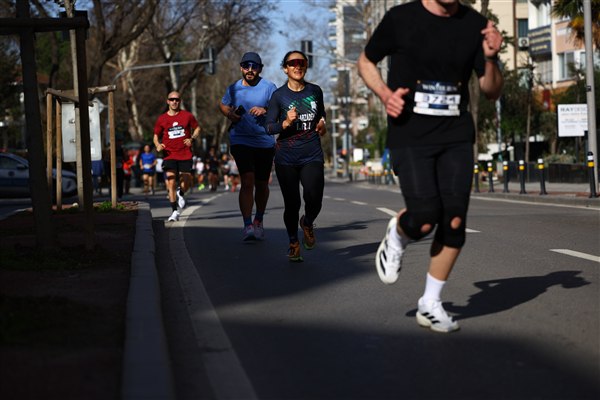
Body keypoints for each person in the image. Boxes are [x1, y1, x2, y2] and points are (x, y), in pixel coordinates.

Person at [357, 0, 503, 332]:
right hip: (410, 133)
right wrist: (384, 94)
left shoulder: (475, 24)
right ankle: (398, 234)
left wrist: (491, 58)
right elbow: (365, 62)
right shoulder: (401, 18)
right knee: (424, 217)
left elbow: (491, 90)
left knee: (454, 221)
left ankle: (431, 303)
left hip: (456, 135)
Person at [266, 50, 327, 262]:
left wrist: (322, 124)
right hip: (286, 158)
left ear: (306, 66)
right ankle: (293, 242)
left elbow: (321, 115)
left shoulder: (315, 91)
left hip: (312, 153)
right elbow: (268, 127)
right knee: (292, 204)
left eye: (301, 62)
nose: (297, 66)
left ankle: (307, 222)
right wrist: (284, 123)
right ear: (285, 69)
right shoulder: (279, 96)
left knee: (314, 197)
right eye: (292, 63)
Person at [219, 52, 277, 241]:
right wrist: (229, 114)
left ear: (260, 69)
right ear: (241, 67)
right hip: (240, 140)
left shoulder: (269, 87)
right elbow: (223, 105)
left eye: (254, 66)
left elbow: (279, 110)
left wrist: (265, 109)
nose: (250, 70)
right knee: (247, 180)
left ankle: (258, 219)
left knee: (261, 183)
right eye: (246, 66)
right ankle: (247, 225)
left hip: (264, 141)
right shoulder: (234, 88)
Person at [153, 91, 201, 222]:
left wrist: (192, 139)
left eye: (177, 99)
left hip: (185, 153)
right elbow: (156, 136)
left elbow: (197, 128)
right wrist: (158, 145)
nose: (174, 101)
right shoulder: (162, 119)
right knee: (171, 181)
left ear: (180, 101)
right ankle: (174, 211)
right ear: (167, 101)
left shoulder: (187, 116)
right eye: (172, 99)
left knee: (187, 181)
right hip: (169, 154)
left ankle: (181, 192)